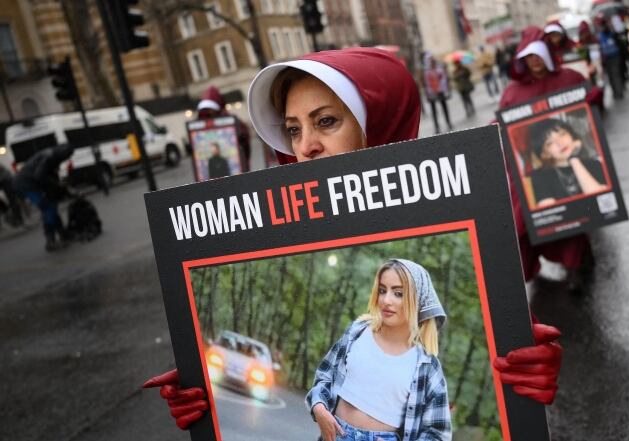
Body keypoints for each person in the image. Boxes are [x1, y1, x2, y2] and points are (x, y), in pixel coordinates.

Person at [143, 47, 562, 430]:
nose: (305, 146)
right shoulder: (285, 251)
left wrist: (522, 367)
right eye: (292, 129)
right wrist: (199, 379)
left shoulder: (458, 219)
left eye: (325, 121)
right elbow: (323, 384)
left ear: (374, 122)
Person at [308, 259, 450, 441]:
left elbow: (438, 433)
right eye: (382, 290)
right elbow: (325, 376)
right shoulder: (357, 332)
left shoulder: (427, 365)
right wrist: (319, 407)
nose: (386, 300)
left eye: (398, 293)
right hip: (335, 435)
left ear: (417, 299)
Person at [501, 27, 595, 292]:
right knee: (525, 223)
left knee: (571, 220)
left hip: (568, 165)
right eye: (529, 57)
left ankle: (576, 266)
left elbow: (587, 110)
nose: (534, 61)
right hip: (531, 170)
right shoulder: (513, 92)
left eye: (538, 55)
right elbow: (503, 123)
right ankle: (532, 269)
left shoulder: (569, 78)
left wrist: (591, 98)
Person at [528, 119, 607, 208]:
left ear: (572, 136)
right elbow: (550, 214)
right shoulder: (540, 176)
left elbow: (602, 200)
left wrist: (573, 158)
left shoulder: (595, 164)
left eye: (562, 134)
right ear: (545, 154)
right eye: (549, 143)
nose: (560, 143)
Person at [12, 144, 74, 251]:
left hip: (31, 183)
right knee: (48, 208)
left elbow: (50, 175)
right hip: (26, 184)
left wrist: (60, 187)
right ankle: (50, 241)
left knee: (52, 207)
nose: (67, 159)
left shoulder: (52, 155)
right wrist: (56, 186)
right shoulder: (49, 157)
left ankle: (63, 234)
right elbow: (39, 175)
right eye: (67, 157)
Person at [196, 86, 254, 169]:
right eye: (206, 110)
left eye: (210, 109)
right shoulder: (200, 122)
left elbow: (245, 139)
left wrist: (241, 138)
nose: (208, 112)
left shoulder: (230, 121)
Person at [595, 18, 625, 100]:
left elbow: (619, 43)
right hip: (607, 59)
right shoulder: (600, 36)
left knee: (615, 75)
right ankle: (616, 92)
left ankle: (619, 92)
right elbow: (599, 49)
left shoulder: (612, 33)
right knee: (611, 76)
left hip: (615, 57)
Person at [423, 57, 453, 134]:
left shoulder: (439, 70)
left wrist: (446, 89)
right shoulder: (427, 72)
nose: (432, 64)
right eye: (431, 62)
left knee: (444, 107)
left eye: (433, 62)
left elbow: (444, 80)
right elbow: (426, 84)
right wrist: (427, 94)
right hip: (432, 92)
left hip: (440, 91)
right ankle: (436, 126)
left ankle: (448, 122)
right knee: (434, 110)